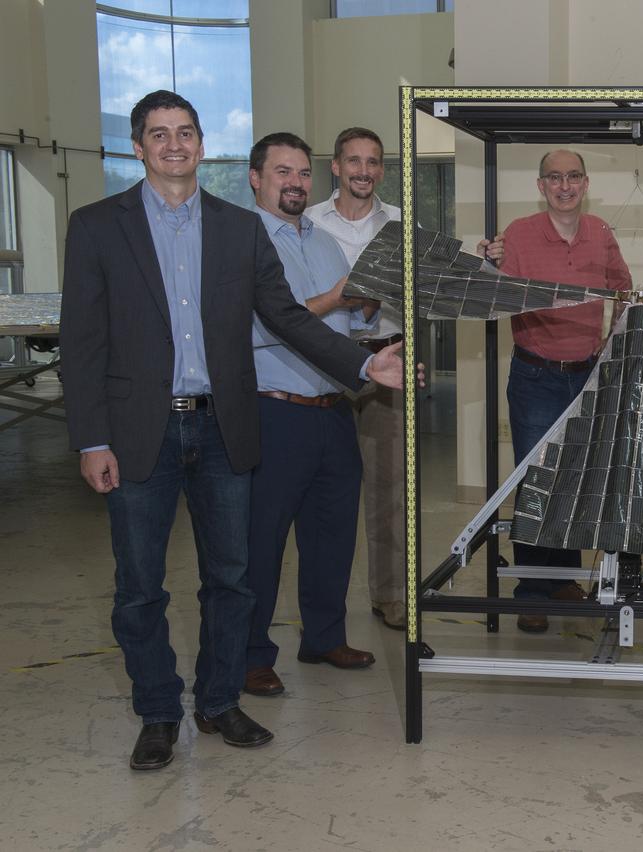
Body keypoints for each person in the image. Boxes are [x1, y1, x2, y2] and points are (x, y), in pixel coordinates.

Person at [61, 91, 405, 772]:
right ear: (138, 147)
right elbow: (83, 341)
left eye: (185, 131)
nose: (173, 144)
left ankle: (219, 702)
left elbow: (287, 317)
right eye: (157, 134)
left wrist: (364, 363)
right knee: (140, 588)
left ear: (200, 142)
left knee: (232, 579)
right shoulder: (98, 225)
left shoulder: (237, 229)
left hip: (226, 428)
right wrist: (90, 438)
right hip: (139, 433)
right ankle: (158, 713)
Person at [242, 132, 382, 697]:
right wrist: (337, 297)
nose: (296, 182)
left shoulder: (324, 242)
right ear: (256, 178)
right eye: (283, 173)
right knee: (262, 541)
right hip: (275, 412)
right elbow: (264, 325)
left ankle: (323, 637)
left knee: (332, 535)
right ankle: (251, 654)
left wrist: (365, 307)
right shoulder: (243, 242)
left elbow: (346, 327)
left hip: (333, 409)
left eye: (302, 173)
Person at [477, 149, 631, 632]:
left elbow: (623, 292)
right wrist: (485, 263)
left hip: (587, 375)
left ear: (584, 183)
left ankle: (565, 577)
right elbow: (489, 294)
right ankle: (531, 588)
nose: (564, 186)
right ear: (541, 186)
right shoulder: (518, 235)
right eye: (554, 178)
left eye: (573, 177)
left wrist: (608, 346)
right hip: (536, 377)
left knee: (579, 479)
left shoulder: (601, 233)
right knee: (537, 480)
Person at [306, 127, 407, 631]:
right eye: (354, 161)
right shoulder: (306, 223)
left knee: (389, 487)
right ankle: (324, 609)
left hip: (385, 360)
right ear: (336, 167)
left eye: (373, 162)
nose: (363, 171)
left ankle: (391, 596)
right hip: (320, 362)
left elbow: (425, 290)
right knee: (324, 491)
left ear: (382, 170)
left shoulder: (402, 225)